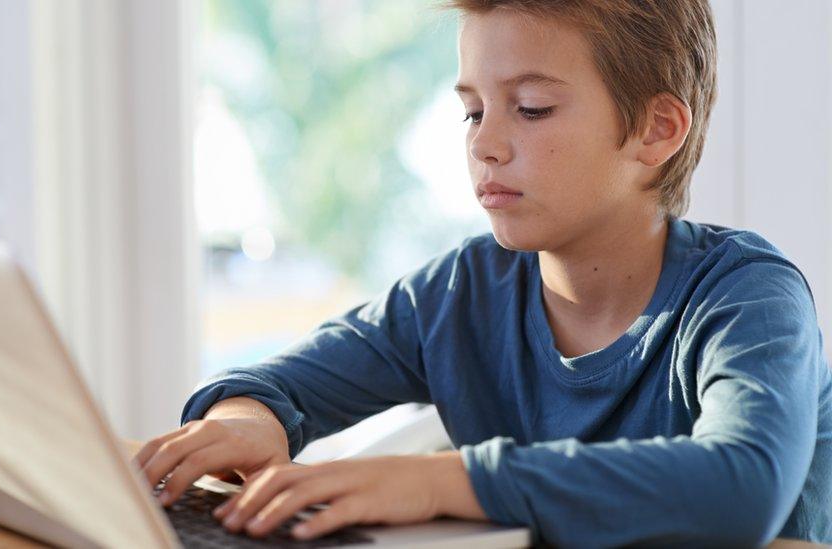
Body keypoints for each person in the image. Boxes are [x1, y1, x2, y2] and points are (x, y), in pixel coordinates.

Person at [132, 0, 832, 546]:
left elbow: (743, 484)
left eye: (531, 108)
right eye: (472, 110)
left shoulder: (749, 297)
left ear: (655, 130)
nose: (485, 144)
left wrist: (447, 481)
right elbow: (277, 384)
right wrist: (246, 419)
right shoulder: (462, 292)